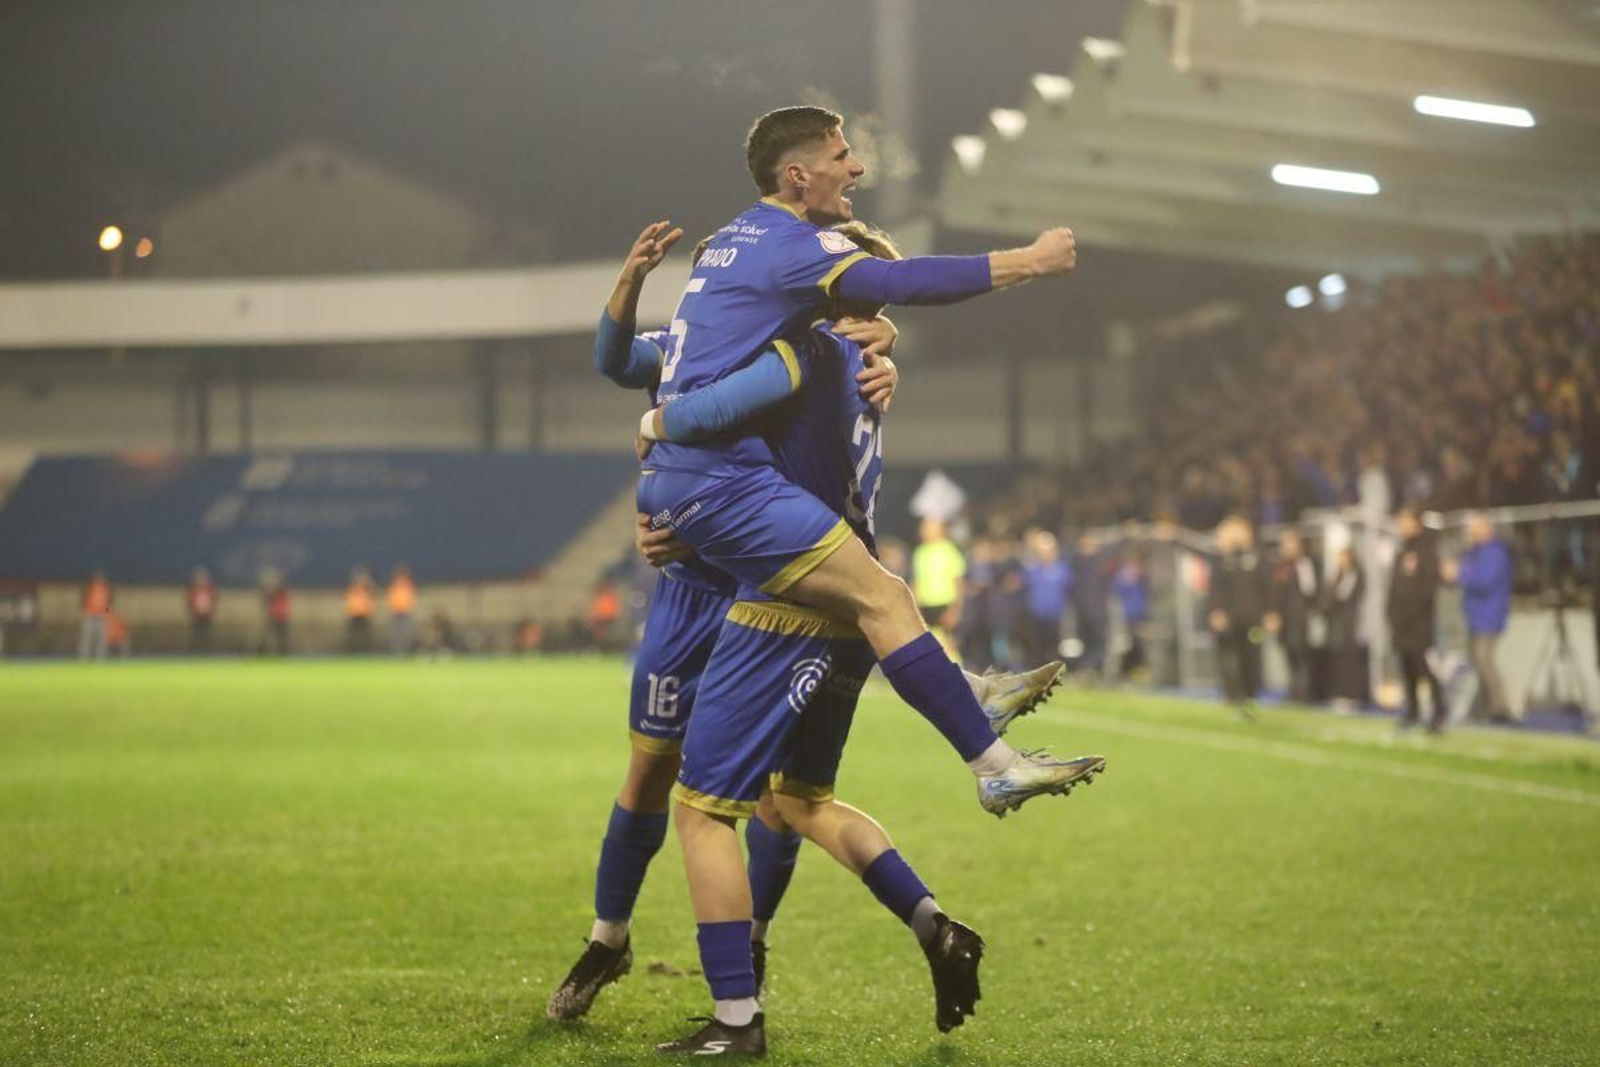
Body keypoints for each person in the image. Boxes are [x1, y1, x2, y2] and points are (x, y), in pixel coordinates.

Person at [548, 223, 1067, 1028]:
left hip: (770, 584)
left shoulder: (806, 350)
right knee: (772, 796)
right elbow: (621, 362)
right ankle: (617, 939)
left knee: (738, 801)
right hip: (725, 584)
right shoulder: (753, 341)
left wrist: (657, 443)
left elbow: (718, 418)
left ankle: (740, 973)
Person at [629, 105, 1091, 827]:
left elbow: (641, 363)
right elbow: (904, 281)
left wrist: (876, 348)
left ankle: (976, 716)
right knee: (727, 808)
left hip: (735, 516)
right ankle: (990, 758)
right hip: (732, 532)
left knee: (790, 792)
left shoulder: (735, 255)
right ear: (797, 174)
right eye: (842, 156)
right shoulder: (790, 250)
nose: (857, 168)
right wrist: (1025, 263)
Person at [1445, 512, 1514, 723]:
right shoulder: (1475, 552)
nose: (1471, 532)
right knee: (1478, 663)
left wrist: (1459, 573)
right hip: (1476, 615)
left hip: (1489, 616)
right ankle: (1486, 708)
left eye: (1476, 527)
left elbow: (1483, 580)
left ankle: (1501, 709)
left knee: (1485, 661)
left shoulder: (1494, 552)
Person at [1207, 516, 1273, 717]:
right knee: (1229, 657)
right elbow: (1216, 588)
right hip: (1231, 619)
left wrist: (1271, 612)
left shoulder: (1258, 557)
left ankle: (1250, 696)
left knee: (1252, 657)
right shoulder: (1224, 558)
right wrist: (1216, 610)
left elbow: (1268, 586)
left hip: (1253, 619)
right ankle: (1232, 695)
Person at [1386, 508, 1445, 731]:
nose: (1401, 526)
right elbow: (1394, 585)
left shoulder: (1427, 550)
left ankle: (1438, 712)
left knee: (1426, 670)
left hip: (1420, 624)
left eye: (1405, 521)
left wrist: (1412, 613)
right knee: (1407, 669)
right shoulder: (1402, 549)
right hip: (1401, 625)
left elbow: (1428, 587)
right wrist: (1391, 613)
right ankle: (1412, 711)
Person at [1269, 530, 1321, 704]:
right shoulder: (1279, 566)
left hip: (1300, 619)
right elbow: (1275, 593)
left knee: (1302, 655)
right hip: (1285, 619)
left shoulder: (1305, 564)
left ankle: (1305, 692)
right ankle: (1293, 690)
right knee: (1289, 655)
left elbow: (1310, 590)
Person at [1021, 529, 1071, 670]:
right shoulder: (1033, 569)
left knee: (1053, 644)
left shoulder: (1062, 569)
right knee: (1037, 645)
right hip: (1036, 612)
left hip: (1054, 613)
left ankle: (1052, 672)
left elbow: (1067, 588)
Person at [911, 517, 965, 637]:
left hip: (946, 605)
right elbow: (916, 582)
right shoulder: (919, 552)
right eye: (923, 528)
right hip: (925, 607)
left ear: (941, 530)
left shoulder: (950, 551)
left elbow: (959, 583)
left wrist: (955, 610)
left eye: (928, 528)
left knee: (949, 647)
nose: (923, 531)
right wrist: (915, 608)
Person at [1072, 532, 1112, 680]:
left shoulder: (1101, 561)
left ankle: (1094, 669)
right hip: (1083, 610)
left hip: (1098, 610)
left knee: (1099, 641)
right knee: (1085, 641)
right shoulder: (1077, 562)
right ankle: (1087, 669)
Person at [1113, 550, 1149, 681]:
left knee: (1138, 644)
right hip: (1128, 616)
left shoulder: (1142, 578)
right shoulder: (1124, 576)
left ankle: (1134, 670)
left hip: (1140, 615)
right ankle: (1125, 671)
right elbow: (1118, 592)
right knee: (1131, 643)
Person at [78, 571, 112, 661]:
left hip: (101, 616)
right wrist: (85, 611)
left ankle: (100, 659)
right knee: (86, 638)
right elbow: (83, 600)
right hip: (90, 615)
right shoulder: (89, 587)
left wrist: (106, 613)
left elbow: (108, 603)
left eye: (101, 579)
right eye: (98, 578)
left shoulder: (106, 589)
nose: (99, 580)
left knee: (101, 639)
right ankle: (83, 658)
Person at [385, 565, 416, 656]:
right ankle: (396, 653)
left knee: (406, 634)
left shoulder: (409, 586)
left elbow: (411, 599)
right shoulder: (393, 587)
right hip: (396, 614)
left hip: (406, 613)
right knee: (395, 635)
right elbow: (390, 600)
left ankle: (406, 652)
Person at [186, 566, 217, 654]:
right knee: (196, 636)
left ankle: (207, 651)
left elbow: (213, 600)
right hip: (196, 617)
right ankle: (195, 652)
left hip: (207, 617)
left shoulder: (209, 589)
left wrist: (210, 612)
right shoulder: (194, 590)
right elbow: (190, 602)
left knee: (207, 636)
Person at [343, 567, 374, 654]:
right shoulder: (352, 589)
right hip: (353, 615)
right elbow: (348, 599)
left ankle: (364, 651)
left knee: (364, 636)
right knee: (353, 635)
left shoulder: (366, 590)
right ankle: (353, 651)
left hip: (364, 615)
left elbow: (371, 591)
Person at [261, 570, 291, 656]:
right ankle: (270, 652)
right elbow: (267, 602)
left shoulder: (281, 593)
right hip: (276, 617)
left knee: (281, 637)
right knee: (273, 636)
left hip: (281, 617)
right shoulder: (275, 593)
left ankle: (281, 652)